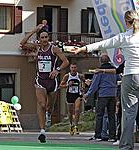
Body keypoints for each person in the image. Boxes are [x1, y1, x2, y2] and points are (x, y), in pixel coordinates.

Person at [70, 10, 139, 150]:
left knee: (128, 113)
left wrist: (82, 49)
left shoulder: (123, 37)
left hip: (130, 76)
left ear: (126, 22)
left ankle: (126, 145)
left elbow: (102, 44)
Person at [20, 25, 69, 143]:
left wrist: (57, 70)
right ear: (39, 38)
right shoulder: (36, 48)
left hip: (52, 81)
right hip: (40, 80)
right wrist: (34, 30)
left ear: (48, 38)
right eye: (42, 37)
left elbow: (66, 61)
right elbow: (22, 43)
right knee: (42, 104)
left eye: (46, 37)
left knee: (49, 107)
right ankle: (42, 131)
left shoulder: (54, 49)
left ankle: (48, 114)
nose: (44, 39)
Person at [84, 54, 117, 141]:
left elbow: (94, 85)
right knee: (111, 116)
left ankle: (98, 135)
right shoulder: (114, 70)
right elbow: (119, 79)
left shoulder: (99, 71)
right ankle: (112, 136)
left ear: (100, 61)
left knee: (100, 115)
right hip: (113, 94)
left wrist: (87, 94)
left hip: (103, 94)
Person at [60, 63, 85, 135]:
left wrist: (82, 88)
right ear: (70, 68)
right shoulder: (67, 76)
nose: (73, 69)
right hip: (69, 94)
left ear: (76, 68)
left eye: (75, 67)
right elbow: (61, 85)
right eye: (72, 67)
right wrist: (68, 85)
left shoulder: (80, 76)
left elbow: (84, 81)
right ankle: (71, 125)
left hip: (77, 94)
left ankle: (76, 126)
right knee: (70, 113)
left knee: (77, 110)